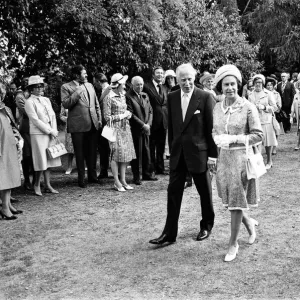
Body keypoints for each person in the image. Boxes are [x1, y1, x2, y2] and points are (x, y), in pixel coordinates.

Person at [149, 63, 218, 245]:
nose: (187, 83)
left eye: (189, 79)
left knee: (204, 192)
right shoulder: (171, 97)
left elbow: (210, 129)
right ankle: (169, 233)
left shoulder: (204, 97)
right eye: (183, 80)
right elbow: (172, 128)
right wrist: (171, 150)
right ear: (177, 80)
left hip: (199, 154)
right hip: (178, 154)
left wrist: (212, 156)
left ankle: (206, 225)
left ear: (194, 78)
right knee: (173, 192)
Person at [212, 64, 263, 262]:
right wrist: (217, 139)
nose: (230, 88)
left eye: (233, 84)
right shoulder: (217, 107)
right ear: (220, 86)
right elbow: (215, 130)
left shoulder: (248, 107)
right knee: (232, 201)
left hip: (241, 160)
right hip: (223, 160)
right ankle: (249, 224)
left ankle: (233, 243)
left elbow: (258, 135)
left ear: (238, 84)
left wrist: (235, 139)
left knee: (235, 202)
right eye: (226, 84)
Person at [61, 65, 102, 188]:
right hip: (77, 126)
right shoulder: (65, 87)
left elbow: (96, 104)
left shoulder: (89, 85)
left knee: (92, 152)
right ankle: (81, 179)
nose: (86, 75)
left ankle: (93, 177)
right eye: (84, 73)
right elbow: (66, 104)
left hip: (93, 124)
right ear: (76, 75)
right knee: (79, 153)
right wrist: (77, 92)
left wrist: (99, 118)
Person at [25, 75, 61, 196]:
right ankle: (36, 184)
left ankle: (47, 184)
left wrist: (54, 130)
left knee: (49, 159)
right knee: (41, 160)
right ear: (31, 89)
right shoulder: (29, 102)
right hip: (38, 134)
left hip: (50, 132)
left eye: (41, 86)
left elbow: (52, 116)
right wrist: (49, 130)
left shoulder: (46, 100)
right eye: (37, 86)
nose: (40, 88)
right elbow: (35, 120)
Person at [103, 73, 136, 192]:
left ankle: (123, 180)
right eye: (122, 84)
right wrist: (122, 115)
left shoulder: (123, 96)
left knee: (125, 154)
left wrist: (128, 114)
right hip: (113, 129)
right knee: (115, 154)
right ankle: (116, 181)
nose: (125, 86)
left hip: (124, 128)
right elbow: (107, 117)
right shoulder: (108, 97)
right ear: (117, 85)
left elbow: (125, 110)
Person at [126, 76, 157, 185]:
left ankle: (147, 174)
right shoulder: (128, 96)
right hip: (136, 129)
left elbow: (151, 111)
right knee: (137, 154)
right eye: (137, 84)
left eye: (141, 84)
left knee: (146, 151)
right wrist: (142, 125)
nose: (140, 86)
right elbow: (131, 114)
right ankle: (136, 176)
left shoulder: (145, 95)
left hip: (146, 128)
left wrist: (148, 124)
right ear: (132, 85)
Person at [0, 82, 23, 220]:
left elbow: (12, 125)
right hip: (1, 148)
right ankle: (4, 207)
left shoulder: (5, 108)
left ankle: (7, 204)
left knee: (10, 174)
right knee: (3, 177)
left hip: (9, 145)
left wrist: (17, 138)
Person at [248, 74, 277, 169]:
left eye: (260, 82)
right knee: (256, 143)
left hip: (266, 121)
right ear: (253, 83)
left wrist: (264, 107)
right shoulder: (250, 94)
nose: (258, 84)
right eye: (256, 82)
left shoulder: (268, 93)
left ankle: (269, 161)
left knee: (268, 143)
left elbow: (275, 107)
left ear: (263, 83)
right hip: (255, 122)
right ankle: (259, 163)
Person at [143, 66, 169, 175]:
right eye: (158, 73)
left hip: (163, 120)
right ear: (153, 75)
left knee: (161, 146)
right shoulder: (146, 87)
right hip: (152, 120)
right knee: (151, 145)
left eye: (162, 74)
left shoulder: (164, 88)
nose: (160, 75)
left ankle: (160, 168)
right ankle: (151, 168)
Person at [15, 78, 35, 190]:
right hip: (26, 128)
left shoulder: (36, 96)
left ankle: (36, 180)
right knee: (27, 155)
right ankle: (27, 181)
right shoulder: (20, 97)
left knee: (35, 154)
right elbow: (28, 113)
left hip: (36, 128)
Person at [97, 73, 111, 180]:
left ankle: (105, 170)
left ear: (98, 81)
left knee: (106, 147)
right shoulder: (103, 91)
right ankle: (104, 170)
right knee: (104, 148)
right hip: (104, 124)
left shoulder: (109, 90)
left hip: (108, 124)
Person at [265, 77, 282, 155]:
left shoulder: (276, 94)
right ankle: (268, 147)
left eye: (270, 85)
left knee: (276, 131)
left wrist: (271, 109)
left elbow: (279, 106)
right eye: (267, 85)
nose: (269, 87)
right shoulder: (264, 94)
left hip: (274, 115)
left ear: (273, 86)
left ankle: (274, 147)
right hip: (265, 116)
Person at [60, 105, 74, 174]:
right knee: (70, 147)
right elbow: (61, 116)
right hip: (69, 127)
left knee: (82, 145)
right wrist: (68, 119)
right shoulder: (65, 102)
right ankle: (69, 166)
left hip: (80, 125)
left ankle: (83, 164)